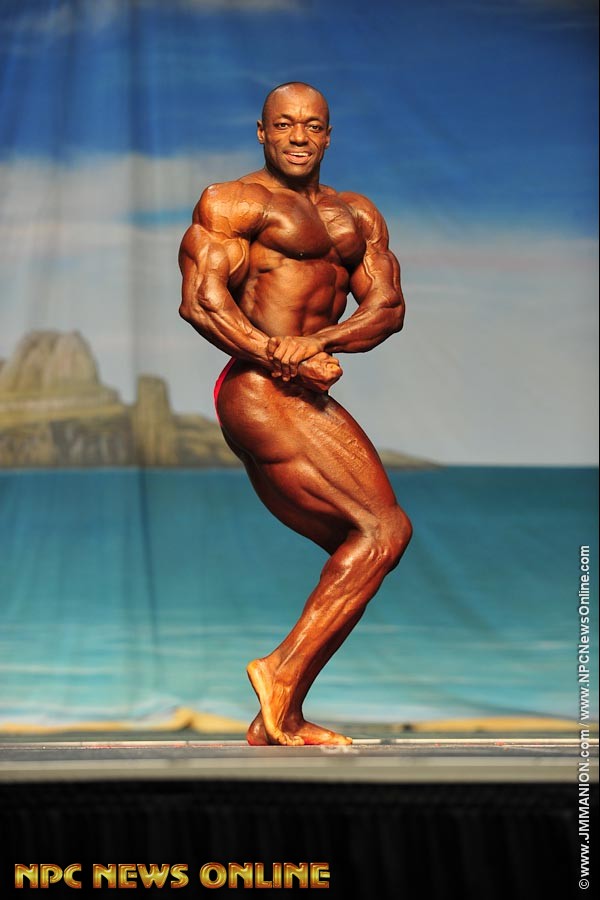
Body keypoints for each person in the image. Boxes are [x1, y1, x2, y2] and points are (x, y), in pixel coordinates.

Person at [179, 82, 412, 747]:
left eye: (312, 125)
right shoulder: (234, 202)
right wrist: (274, 352)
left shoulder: (357, 215)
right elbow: (202, 301)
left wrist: (318, 344)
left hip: (303, 389)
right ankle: (280, 676)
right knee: (381, 530)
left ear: (328, 135)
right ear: (262, 132)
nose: (299, 136)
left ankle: (278, 712)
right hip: (257, 388)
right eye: (284, 125)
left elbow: (387, 309)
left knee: (370, 544)